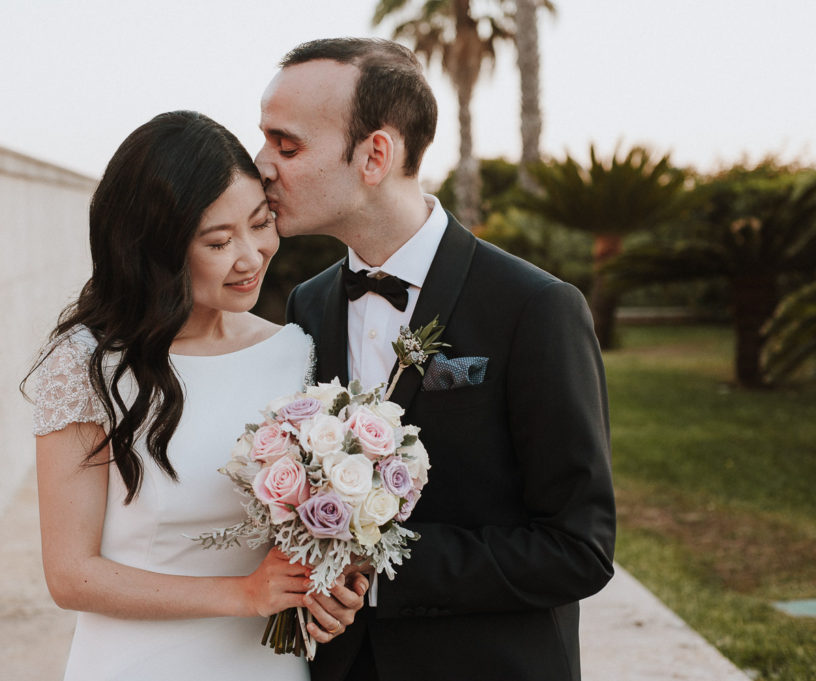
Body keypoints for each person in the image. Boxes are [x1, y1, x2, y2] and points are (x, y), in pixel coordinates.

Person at [256, 38, 617, 681]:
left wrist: (382, 573)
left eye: (287, 146)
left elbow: (577, 549)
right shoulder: (307, 307)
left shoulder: (535, 308)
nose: (262, 165)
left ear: (375, 154)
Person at [26, 110, 365, 681]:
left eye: (260, 224)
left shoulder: (295, 353)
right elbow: (71, 575)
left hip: (269, 665)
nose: (251, 256)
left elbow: (313, 527)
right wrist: (245, 595)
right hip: (137, 663)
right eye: (218, 241)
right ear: (158, 250)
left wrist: (336, 580)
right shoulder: (87, 365)